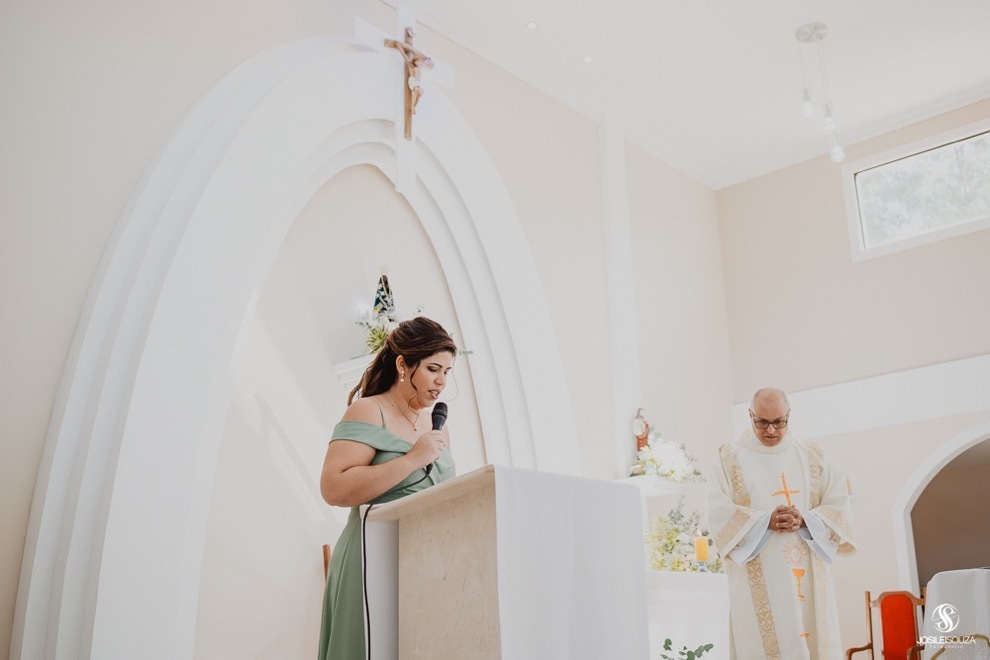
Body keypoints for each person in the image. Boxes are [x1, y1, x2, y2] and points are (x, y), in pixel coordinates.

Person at [317, 317, 457, 660]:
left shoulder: (434, 426)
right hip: (370, 557)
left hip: (422, 561)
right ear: (402, 364)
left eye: (447, 372)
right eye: (432, 369)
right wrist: (411, 459)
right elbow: (333, 489)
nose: (441, 382)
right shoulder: (369, 411)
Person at [708, 387, 856, 660]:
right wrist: (765, 521)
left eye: (779, 422)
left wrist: (805, 519)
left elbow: (840, 504)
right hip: (759, 574)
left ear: (789, 415)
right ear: (750, 415)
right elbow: (717, 513)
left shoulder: (813, 456)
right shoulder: (729, 458)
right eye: (762, 422)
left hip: (808, 572)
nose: (771, 431)